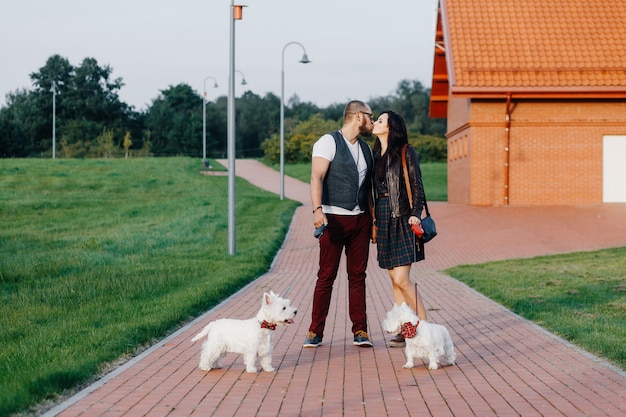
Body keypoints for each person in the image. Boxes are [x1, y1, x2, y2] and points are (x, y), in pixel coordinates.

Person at [303, 100, 375, 348]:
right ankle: (315, 331)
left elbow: (369, 190)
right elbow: (316, 177)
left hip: (361, 220)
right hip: (333, 218)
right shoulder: (328, 142)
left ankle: (361, 330)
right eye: (370, 116)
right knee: (326, 276)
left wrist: (372, 221)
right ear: (358, 116)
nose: (372, 121)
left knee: (358, 276)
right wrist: (317, 209)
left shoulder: (366, 149)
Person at [371, 110, 428, 348]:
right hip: (383, 218)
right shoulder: (375, 155)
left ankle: (425, 326)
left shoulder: (406, 151)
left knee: (402, 279)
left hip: (403, 217)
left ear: (391, 128)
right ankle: (406, 329)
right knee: (393, 280)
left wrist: (416, 213)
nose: (375, 123)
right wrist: (374, 221)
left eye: (381, 121)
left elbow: (417, 185)